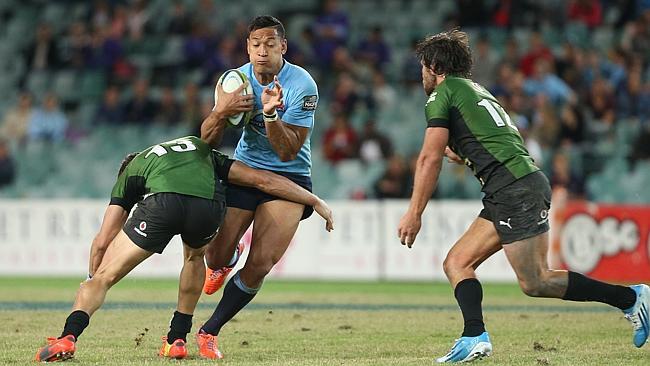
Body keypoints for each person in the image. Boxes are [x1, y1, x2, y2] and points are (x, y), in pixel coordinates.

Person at [396, 29, 649, 363]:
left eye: (423, 67)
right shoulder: (476, 91)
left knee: (536, 281)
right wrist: (458, 150)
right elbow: (479, 142)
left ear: (434, 67)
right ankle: (474, 335)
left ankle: (631, 298)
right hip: (515, 185)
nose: (422, 75)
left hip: (513, 188)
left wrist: (414, 212)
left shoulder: (441, 95)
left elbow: (429, 159)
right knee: (458, 262)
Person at [34, 133, 333, 362]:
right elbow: (263, 180)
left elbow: (102, 240)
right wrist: (313, 199)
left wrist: (91, 278)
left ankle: (68, 336)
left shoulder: (132, 171)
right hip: (209, 206)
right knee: (194, 258)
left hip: (163, 204)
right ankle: (177, 340)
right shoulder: (199, 148)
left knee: (103, 278)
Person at [197, 15, 319, 359]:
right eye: (255, 45)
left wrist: (269, 114)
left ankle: (210, 331)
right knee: (215, 255)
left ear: (283, 46)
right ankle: (226, 257)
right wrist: (221, 112)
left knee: (261, 263)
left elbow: (287, 150)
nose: (262, 51)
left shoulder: (302, 85)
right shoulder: (234, 81)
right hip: (246, 171)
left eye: (269, 44)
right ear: (247, 48)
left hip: (290, 177)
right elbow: (207, 140)